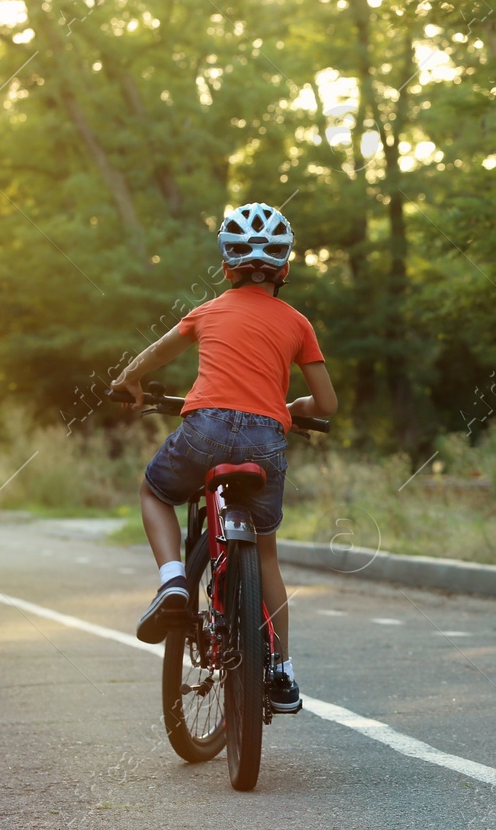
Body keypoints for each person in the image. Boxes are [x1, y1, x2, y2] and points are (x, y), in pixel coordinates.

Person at [111, 202, 337, 714]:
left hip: (204, 429)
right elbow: (327, 404)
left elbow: (153, 355)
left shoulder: (207, 311)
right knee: (267, 553)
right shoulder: (298, 323)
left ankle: (172, 581)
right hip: (266, 440)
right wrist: (292, 409)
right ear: (284, 269)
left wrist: (130, 381)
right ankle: (280, 669)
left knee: (154, 490)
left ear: (225, 268)